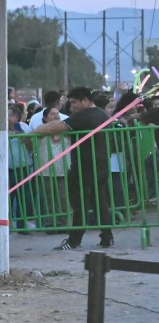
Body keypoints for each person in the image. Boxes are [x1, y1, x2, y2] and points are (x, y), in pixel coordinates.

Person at [37, 87, 114, 250]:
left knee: (79, 203)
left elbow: (55, 127)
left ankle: (74, 240)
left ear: (86, 100)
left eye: (75, 102)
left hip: (84, 166)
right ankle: (107, 237)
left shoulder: (83, 116)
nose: (72, 106)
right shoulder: (101, 113)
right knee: (100, 202)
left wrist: (34, 132)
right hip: (100, 164)